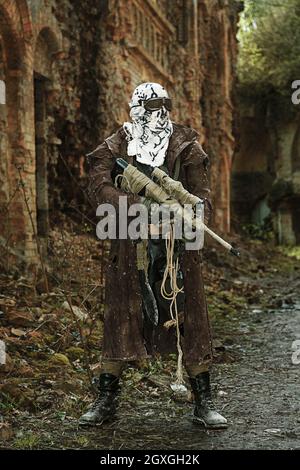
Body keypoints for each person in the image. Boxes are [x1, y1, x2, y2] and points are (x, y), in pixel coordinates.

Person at [79, 82, 227, 429]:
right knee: (121, 319)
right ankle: (106, 399)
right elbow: (98, 187)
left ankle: (203, 401)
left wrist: (179, 217)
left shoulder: (186, 146)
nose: (153, 118)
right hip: (130, 249)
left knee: (189, 320)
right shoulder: (116, 145)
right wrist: (138, 210)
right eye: (147, 110)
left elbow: (202, 197)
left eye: (160, 110)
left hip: (176, 253)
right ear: (134, 109)